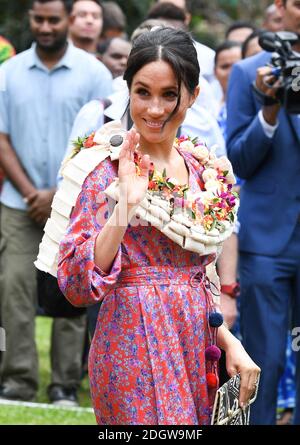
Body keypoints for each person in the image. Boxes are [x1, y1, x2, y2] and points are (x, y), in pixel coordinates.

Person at [57, 27, 260, 425]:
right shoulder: (105, 170)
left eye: (170, 94)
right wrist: (124, 207)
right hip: (130, 338)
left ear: (193, 95)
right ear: (127, 91)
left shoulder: (204, 173)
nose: (154, 109)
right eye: (143, 92)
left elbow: (200, 278)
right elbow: (76, 285)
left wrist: (229, 341)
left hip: (196, 343)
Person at [0, 0, 112, 405]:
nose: (45, 27)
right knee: (12, 287)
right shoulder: (8, 73)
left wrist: (58, 193)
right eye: (38, 19)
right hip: (19, 202)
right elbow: (1, 138)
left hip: (75, 203)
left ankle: (64, 385)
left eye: (53, 19)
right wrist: (33, 192)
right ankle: (17, 381)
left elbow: (105, 137)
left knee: (71, 287)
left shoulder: (95, 74)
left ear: (68, 20)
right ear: (30, 19)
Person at [226, 0, 300, 425]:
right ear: (280, 7)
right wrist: (269, 108)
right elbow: (238, 159)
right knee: (266, 356)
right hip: (267, 242)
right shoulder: (247, 72)